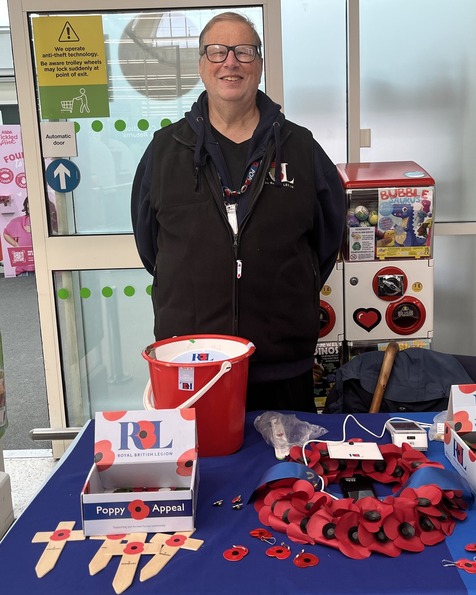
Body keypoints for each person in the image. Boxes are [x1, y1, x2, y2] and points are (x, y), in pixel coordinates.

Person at [131, 12, 346, 412]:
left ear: (260, 65)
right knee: (201, 472)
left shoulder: (301, 148)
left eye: (244, 52)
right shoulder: (164, 151)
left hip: (281, 366)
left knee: (285, 472)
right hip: (190, 368)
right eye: (217, 51)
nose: (230, 62)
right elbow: (150, 247)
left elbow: (326, 242)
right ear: (201, 65)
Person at [3, 196, 35, 276]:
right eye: (28, 207)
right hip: (24, 269)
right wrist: (16, 244)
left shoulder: (47, 221)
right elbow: (6, 233)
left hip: (43, 266)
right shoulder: (18, 221)